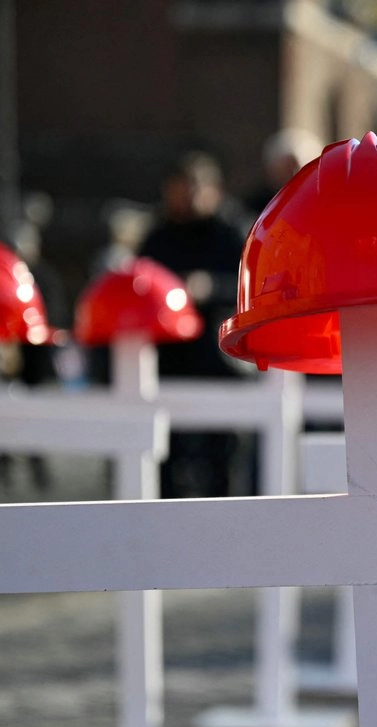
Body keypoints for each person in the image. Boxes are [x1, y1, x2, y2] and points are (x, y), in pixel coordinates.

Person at [138, 152, 253, 498]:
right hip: (171, 360)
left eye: (192, 189)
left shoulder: (233, 233)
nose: (185, 198)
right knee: (165, 454)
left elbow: (253, 286)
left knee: (223, 456)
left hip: (219, 361)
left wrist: (210, 287)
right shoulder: (158, 236)